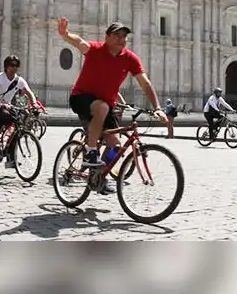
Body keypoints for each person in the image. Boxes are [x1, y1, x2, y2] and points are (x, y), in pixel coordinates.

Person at [58, 18, 167, 176]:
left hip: (106, 105)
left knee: (116, 148)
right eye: (117, 35)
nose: (121, 39)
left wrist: (157, 108)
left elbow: (145, 83)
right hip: (81, 98)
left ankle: (99, 176)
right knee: (101, 107)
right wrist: (65, 34)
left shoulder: (130, 59)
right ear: (107, 37)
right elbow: (80, 42)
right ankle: (90, 152)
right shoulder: (95, 50)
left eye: (124, 36)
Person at [0, 55, 38, 168]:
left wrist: (34, 103)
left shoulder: (19, 80)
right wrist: (0, 104)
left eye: (16, 65)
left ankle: (10, 158)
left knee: (17, 128)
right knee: (6, 117)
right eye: (11, 65)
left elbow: (29, 92)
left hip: (7, 106)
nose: (14, 68)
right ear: (6, 66)